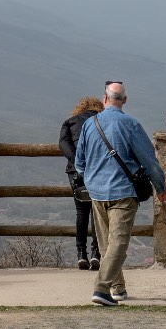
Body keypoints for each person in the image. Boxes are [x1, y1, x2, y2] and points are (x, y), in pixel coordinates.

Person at [71, 81, 166, 306]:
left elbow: (79, 163)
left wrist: (92, 179)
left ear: (104, 99)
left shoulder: (90, 124)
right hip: (123, 191)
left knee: (107, 244)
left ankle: (118, 288)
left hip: (96, 192)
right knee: (119, 243)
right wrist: (161, 189)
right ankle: (101, 288)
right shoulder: (130, 124)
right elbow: (150, 162)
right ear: (124, 100)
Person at [59, 96, 104, 270]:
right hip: (99, 170)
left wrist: (77, 161)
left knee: (81, 211)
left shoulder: (70, 122)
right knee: (97, 211)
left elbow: (63, 143)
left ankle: (80, 253)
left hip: (75, 172)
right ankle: (96, 253)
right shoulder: (101, 122)